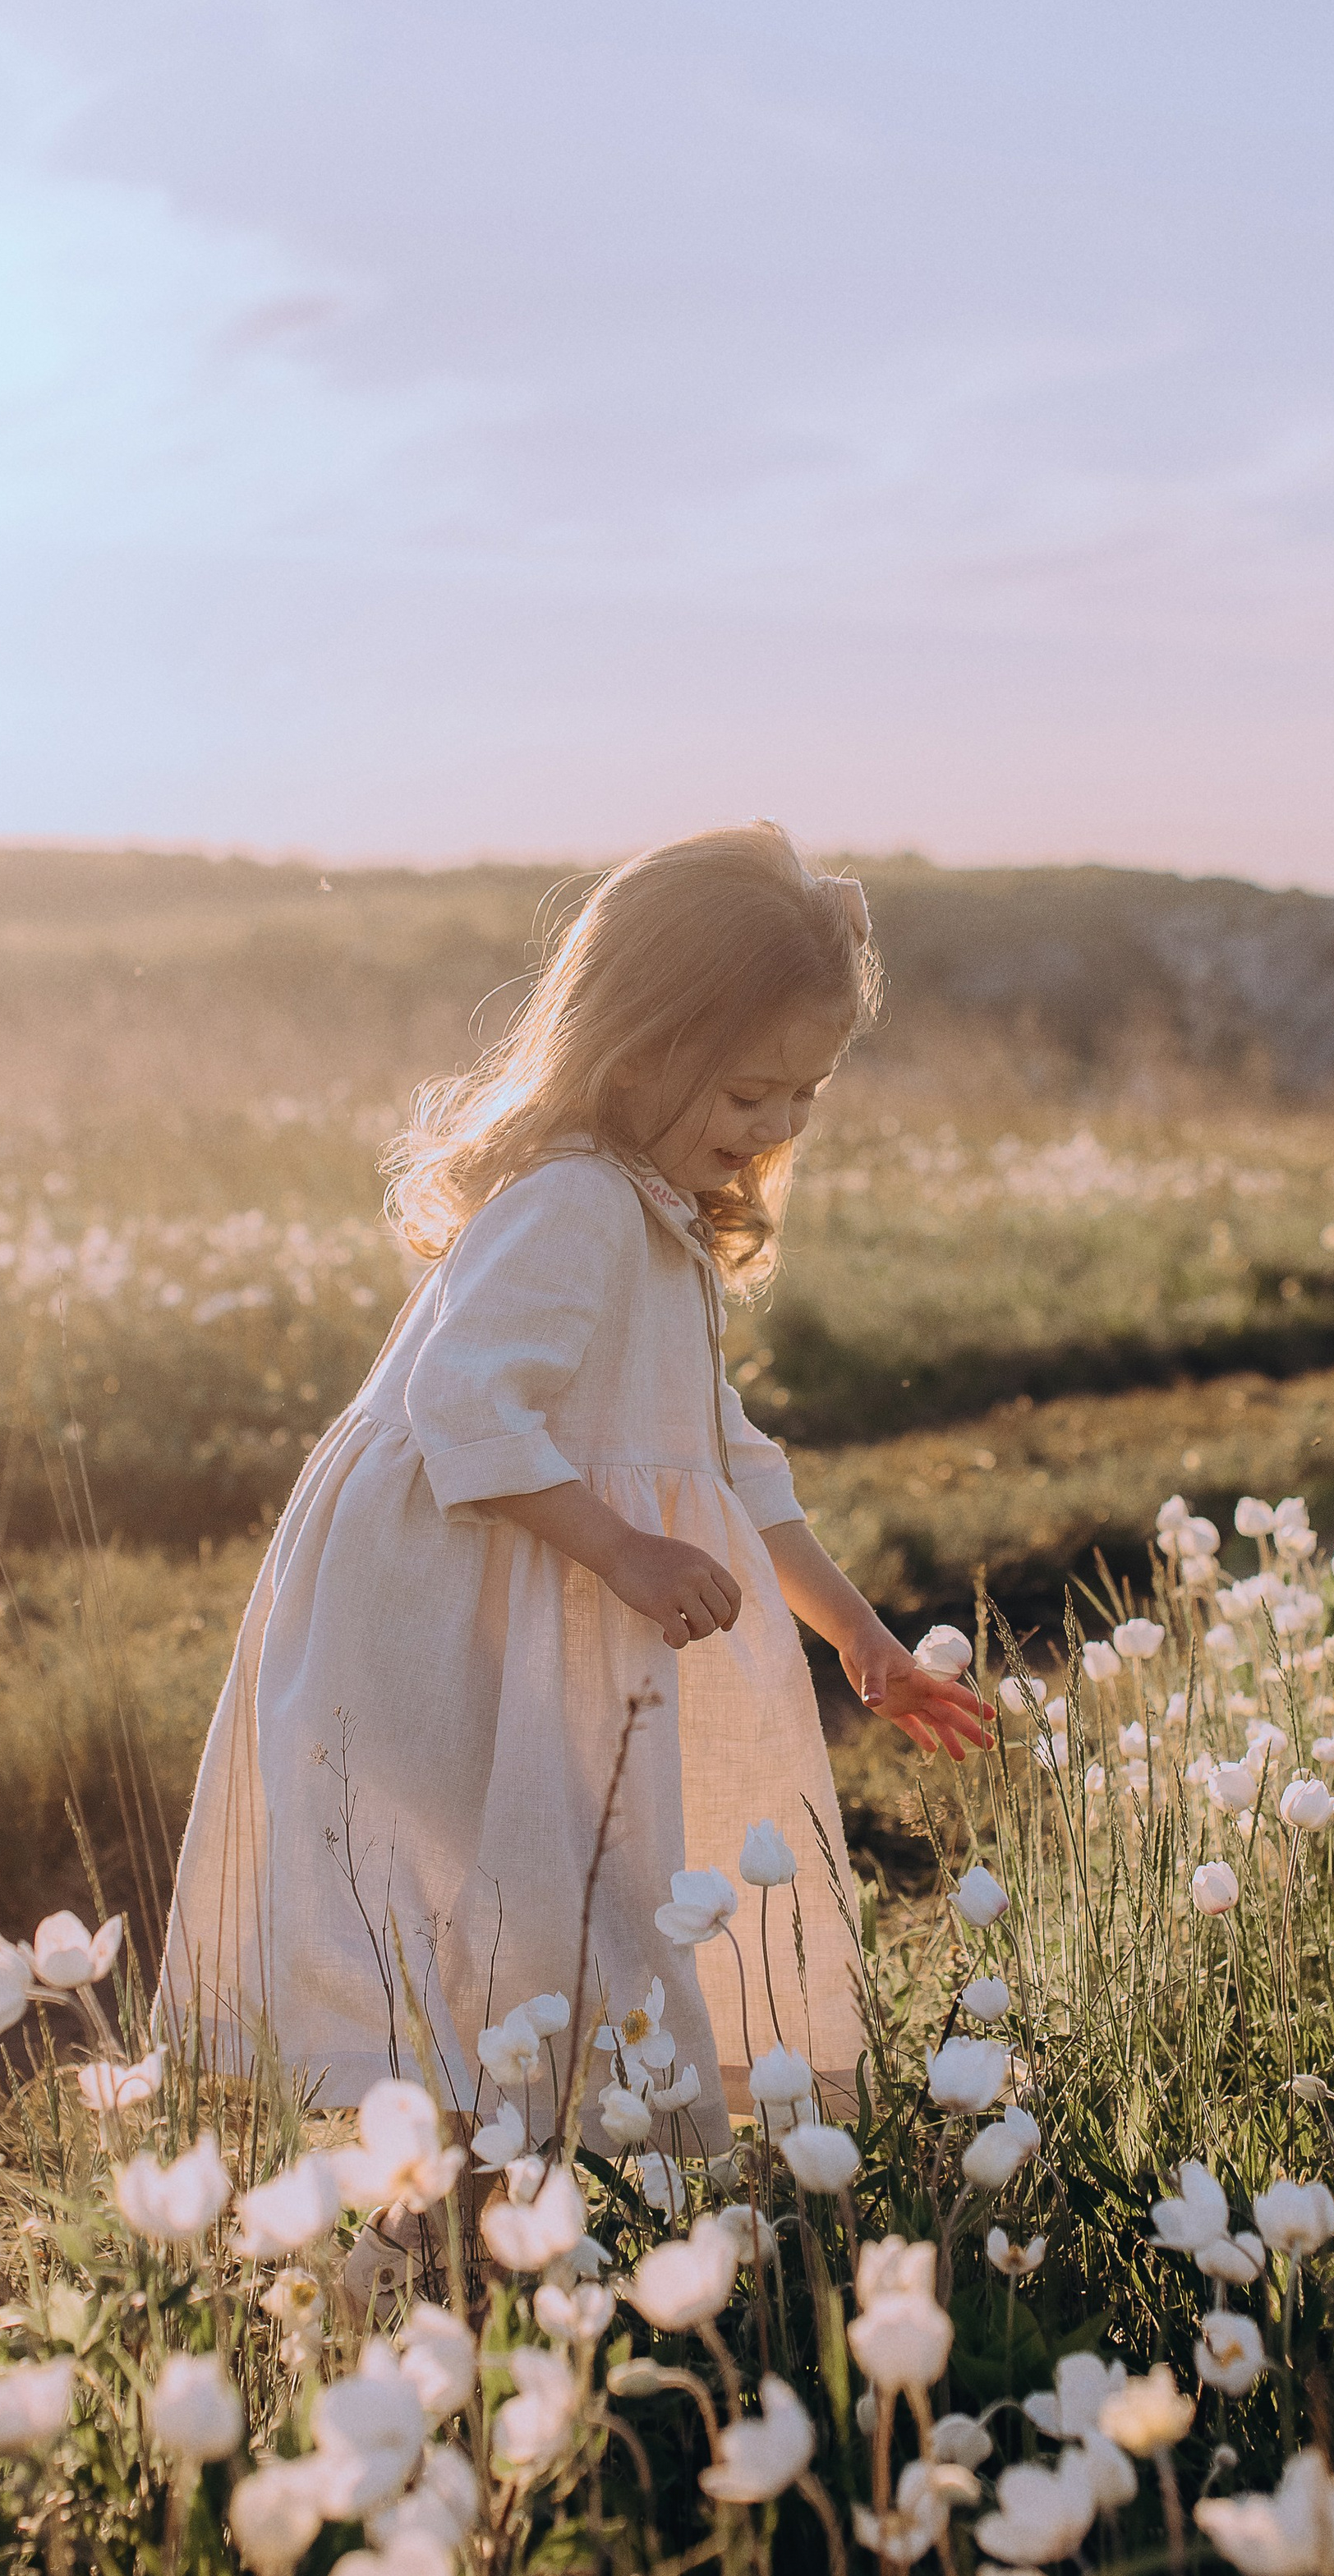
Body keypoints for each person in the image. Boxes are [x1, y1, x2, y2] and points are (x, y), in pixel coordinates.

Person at [159, 822, 988, 2157]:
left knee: (576, 1901)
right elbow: (464, 1403)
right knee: (508, 1907)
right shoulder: (576, 1203)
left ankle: (514, 2198)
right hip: (449, 1619)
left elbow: (728, 1464)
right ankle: (474, 2208)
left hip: (553, 1608)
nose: (775, 1128)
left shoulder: (654, 1219)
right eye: (747, 1092)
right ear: (636, 1049)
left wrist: (861, 1641)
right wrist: (620, 1547)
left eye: (805, 1097)